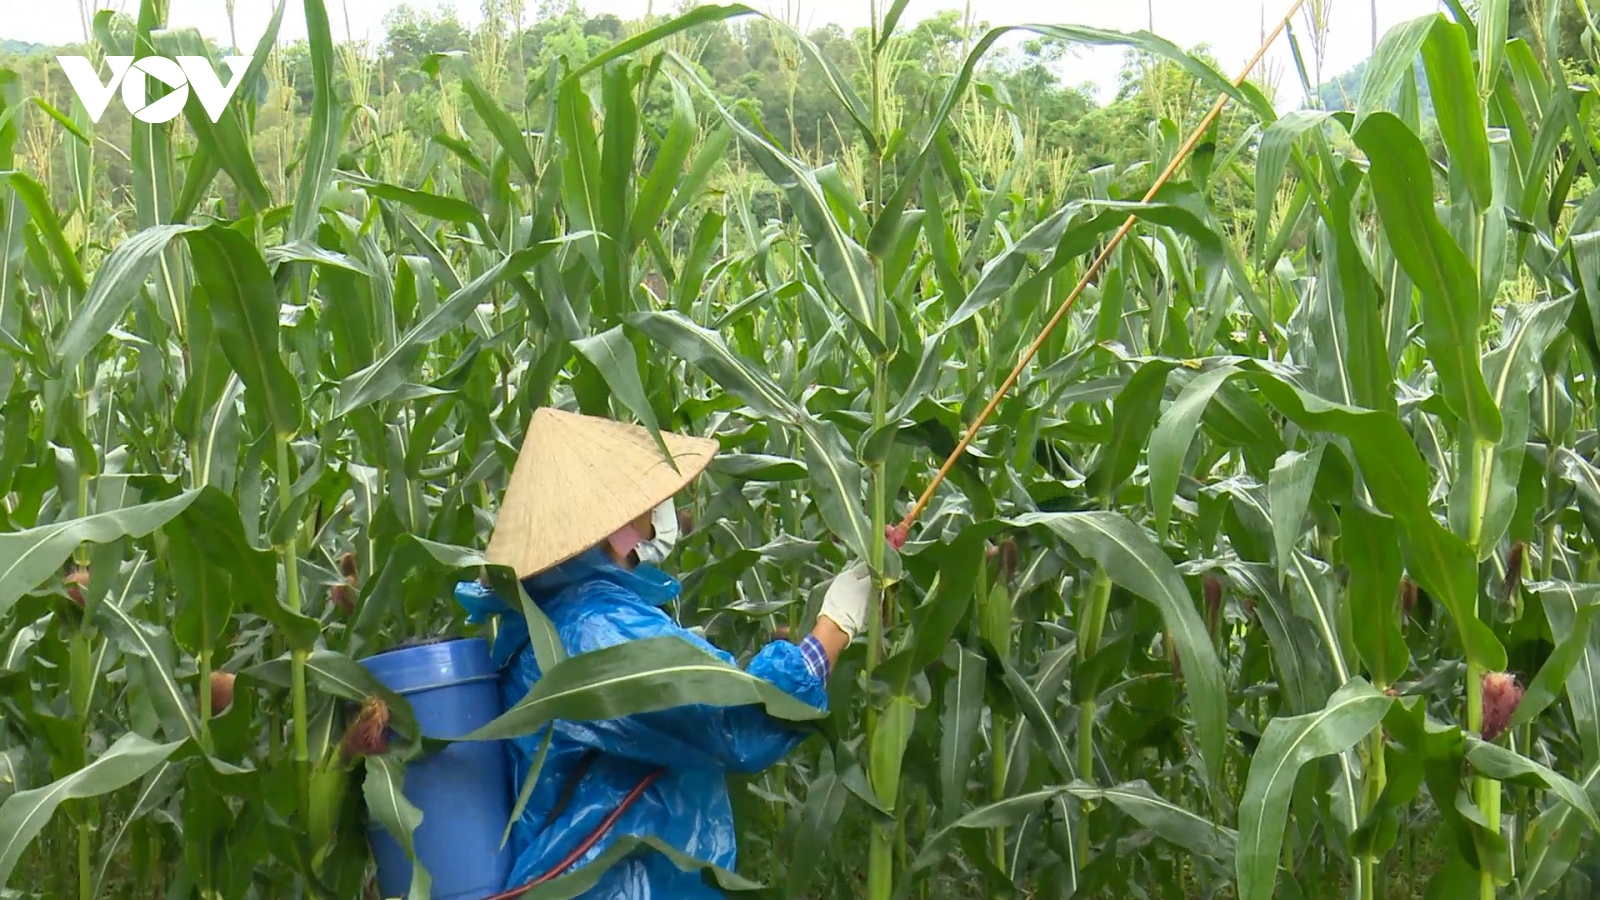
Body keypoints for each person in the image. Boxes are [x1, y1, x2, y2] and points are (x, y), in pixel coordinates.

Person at [453, 407, 873, 899]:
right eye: (645, 504)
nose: (654, 516)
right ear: (613, 522)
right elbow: (737, 721)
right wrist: (835, 625)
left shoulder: (548, 617)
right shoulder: (595, 629)